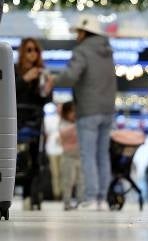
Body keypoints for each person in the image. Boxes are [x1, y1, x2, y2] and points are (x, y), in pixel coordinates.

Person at [44, 15, 116, 210]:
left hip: (88, 110)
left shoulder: (82, 50)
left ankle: (91, 198)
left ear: (85, 32)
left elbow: (71, 75)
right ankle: (102, 199)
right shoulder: (107, 51)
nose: (76, 36)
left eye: (78, 32)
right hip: (108, 110)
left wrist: (54, 81)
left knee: (88, 155)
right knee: (103, 155)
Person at [14, 37, 51, 209]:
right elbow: (9, 91)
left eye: (35, 50)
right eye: (29, 50)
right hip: (15, 120)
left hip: (35, 121)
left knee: (35, 159)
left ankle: (30, 194)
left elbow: (45, 100)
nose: (32, 54)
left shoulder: (42, 72)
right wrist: (25, 78)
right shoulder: (14, 70)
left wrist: (47, 88)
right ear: (23, 52)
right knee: (13, 158)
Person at [58, 101, 82, 211]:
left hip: (80, 157)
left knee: (81, 182)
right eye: (72, 111)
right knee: (68, 181)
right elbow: (64, 134)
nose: (74, 113)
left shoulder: (80, 123)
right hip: (68, 157)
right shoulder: (63, 123)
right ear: (66, 112)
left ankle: (80, 203)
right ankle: (67, 203)